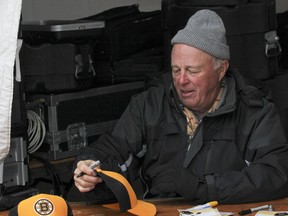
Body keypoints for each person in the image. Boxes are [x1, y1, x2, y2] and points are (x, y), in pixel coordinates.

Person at [73, 9, 288, 204]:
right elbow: (113, 149)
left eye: (193, 71)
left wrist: (204, 187)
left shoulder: (254, 111)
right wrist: (90, 167)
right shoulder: (150, 104)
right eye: (176, 70)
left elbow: (276, 175)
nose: (181, 81)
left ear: (221, 69)